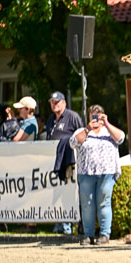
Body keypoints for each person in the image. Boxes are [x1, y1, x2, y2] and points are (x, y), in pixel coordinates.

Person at [70, 105, 125, 245]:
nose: (96, 117)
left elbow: (121, 138)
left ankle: (105, 234)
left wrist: (106, 123)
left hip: (107, 173)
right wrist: (88, 129)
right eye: (93, 115)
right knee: (87, 205)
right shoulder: (82, 131)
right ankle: (88, 235)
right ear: (89, 116)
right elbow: (73, 142)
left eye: (98, 114)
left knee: (104, 203)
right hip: (86, 172)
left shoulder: (109, 131)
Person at [46, 91, 84, 234]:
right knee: (57, 193)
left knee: (70, 193)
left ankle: (71, 224)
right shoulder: (51, 119)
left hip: (70, 163)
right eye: (52, 102)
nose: (54, 104)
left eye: (57, 102)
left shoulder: (72, 117)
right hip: (56, 162)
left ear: (64, 103)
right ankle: (60, 223)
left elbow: (82, 135)